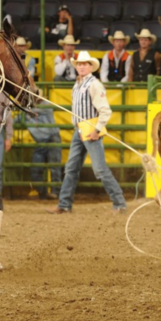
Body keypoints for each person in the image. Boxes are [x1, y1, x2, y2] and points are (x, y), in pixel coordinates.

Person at [47, 51, 127, 215]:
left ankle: (119, 202)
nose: (82, 66)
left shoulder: (94, 84)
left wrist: (97, 130)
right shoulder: (78, 84)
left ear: (90, 66)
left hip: (90, 129)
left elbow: (105, 110)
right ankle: (64, 204)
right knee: (71, 168)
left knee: (99, 169)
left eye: (85, 64)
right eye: (80, 64)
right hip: (80, 129)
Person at [25, 90, 62, 200]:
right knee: (36, 168)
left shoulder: (45, 106)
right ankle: (42, 192)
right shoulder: (28, 111)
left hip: (52, 138)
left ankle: (56, 192)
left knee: (54, 167)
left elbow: (37, 111)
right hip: (42, 141)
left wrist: (23, 109)